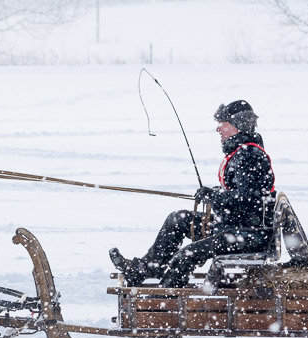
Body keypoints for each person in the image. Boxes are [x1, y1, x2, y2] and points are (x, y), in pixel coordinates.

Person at [109, 100, 277, 287]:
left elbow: (248, 199)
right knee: (178, 220)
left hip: (249, 235)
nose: (218, 129)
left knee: (186, 255)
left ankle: (161, 303)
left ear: (237, 126)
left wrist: (216, 197)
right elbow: (242, 195)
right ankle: (146, 269)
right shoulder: (241, 152)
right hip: (234, 226)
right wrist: (214, 193)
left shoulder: (249, 155)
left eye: (223, 124)